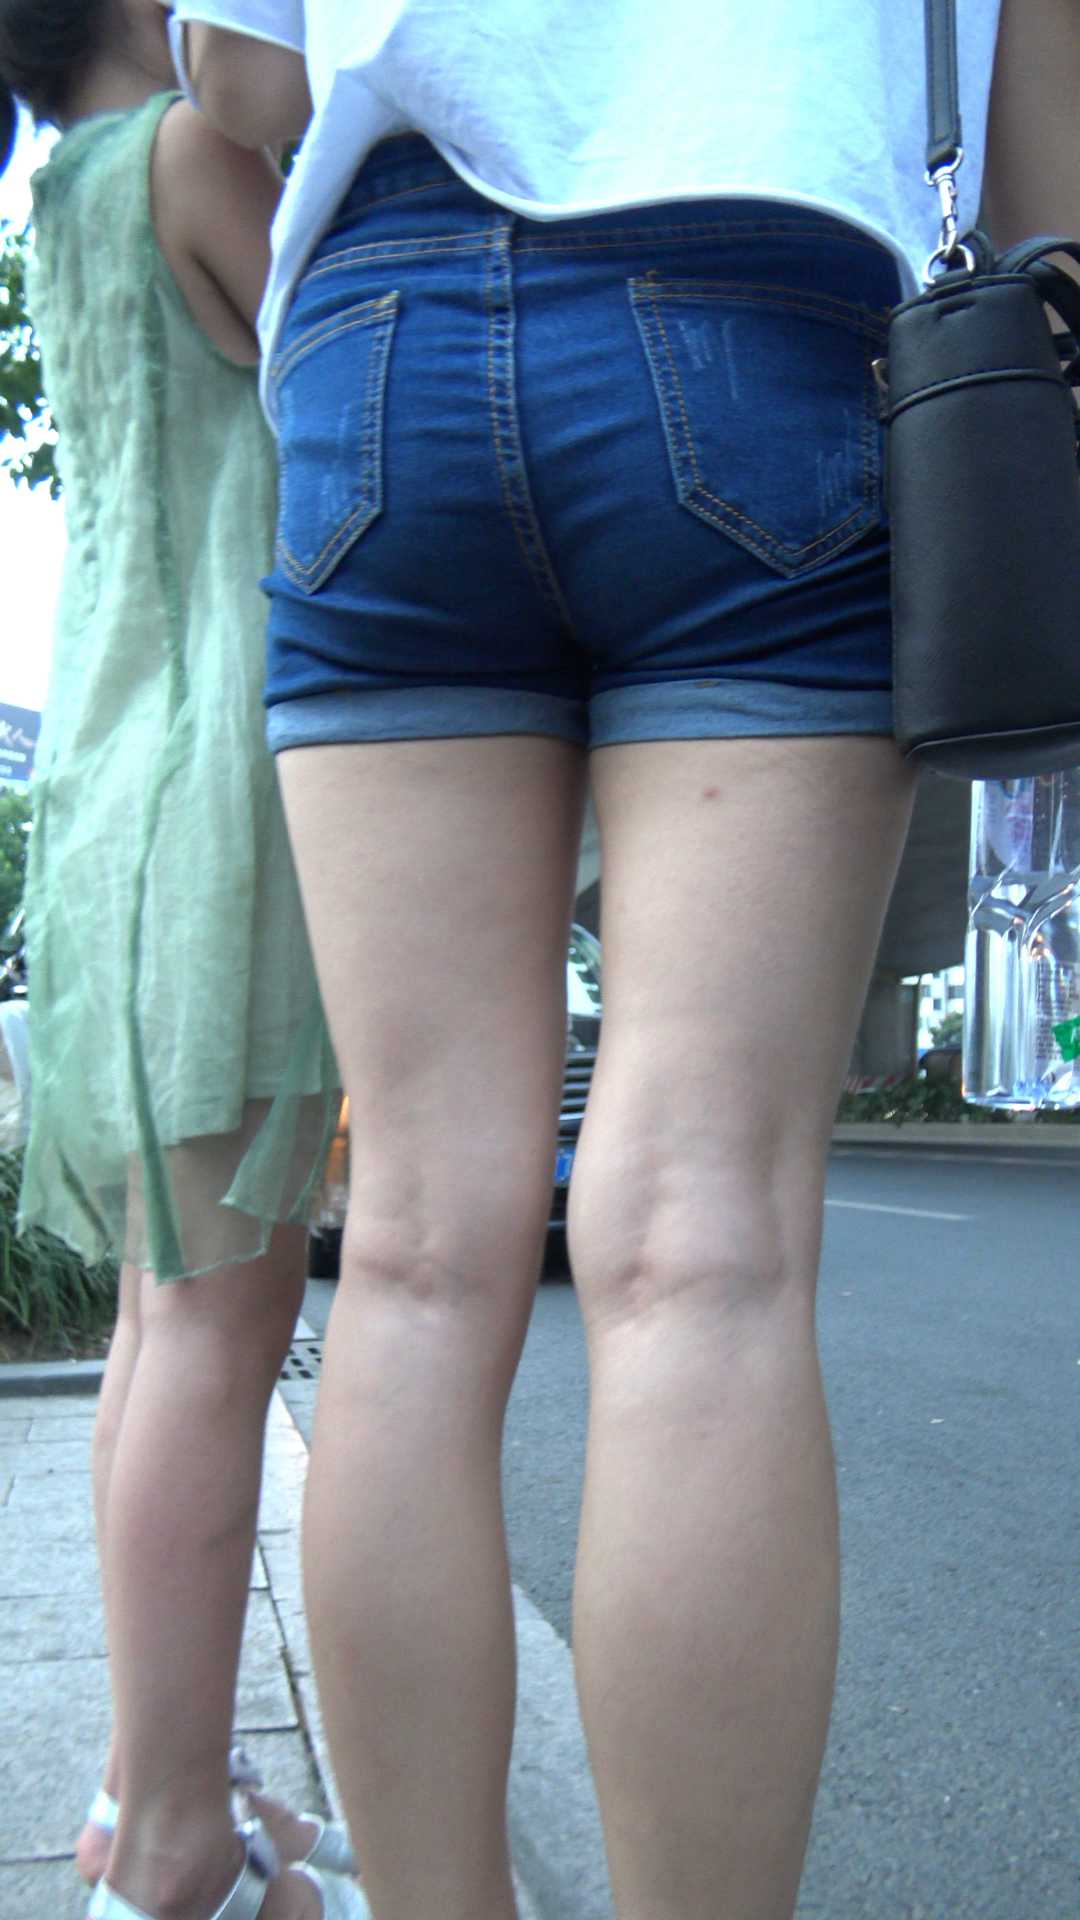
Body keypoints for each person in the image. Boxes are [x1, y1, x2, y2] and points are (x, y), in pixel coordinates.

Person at [172, 5, 1022, 1920]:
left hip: (381, 314)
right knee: (705, 1248)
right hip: (778, 284)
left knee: (410, 1247)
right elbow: (1044, 149)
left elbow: (236, 71)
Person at [0, 6, 366, 1918]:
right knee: (219, 1324)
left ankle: (158, 1779)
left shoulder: (57, 194)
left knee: (163, 1322)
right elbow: (346, 398)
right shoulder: (191, 157)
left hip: (116, 786)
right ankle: (169, 1855)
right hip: (227, 789)